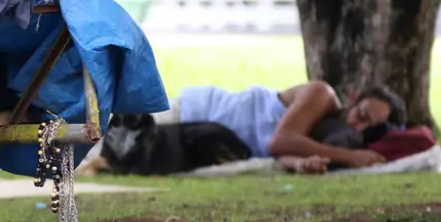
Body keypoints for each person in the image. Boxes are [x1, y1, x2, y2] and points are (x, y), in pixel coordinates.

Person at [79, 81, 407, 175]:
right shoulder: (322, 95)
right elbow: (281, 141)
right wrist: (352, 158)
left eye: (368, 127)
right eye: (361, 114)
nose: (356, 125)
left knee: (112, 154)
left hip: (207, 140)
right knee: (101, 142)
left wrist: (304, 164)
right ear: (353, 98)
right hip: (198, 113)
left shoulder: (331, 139)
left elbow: (280, 154)